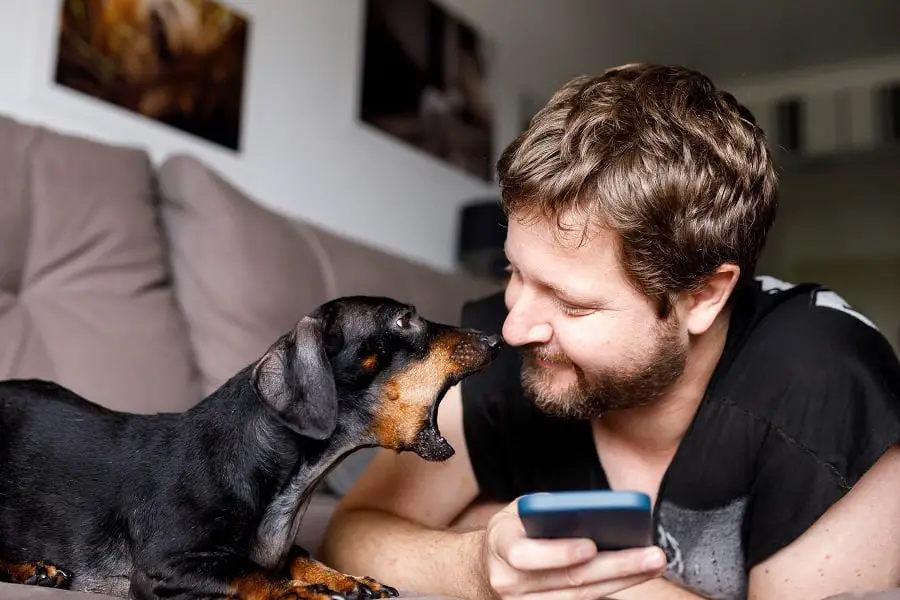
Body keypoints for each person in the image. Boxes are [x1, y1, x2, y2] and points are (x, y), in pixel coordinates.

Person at [318, 63, 900, 600]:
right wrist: (474, 561)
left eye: (574, 304)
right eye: (515, 271)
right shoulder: (505, 340)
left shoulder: (824, 380)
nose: (515, 327)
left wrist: (601, 582)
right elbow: (350, 536)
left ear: (703, 296)